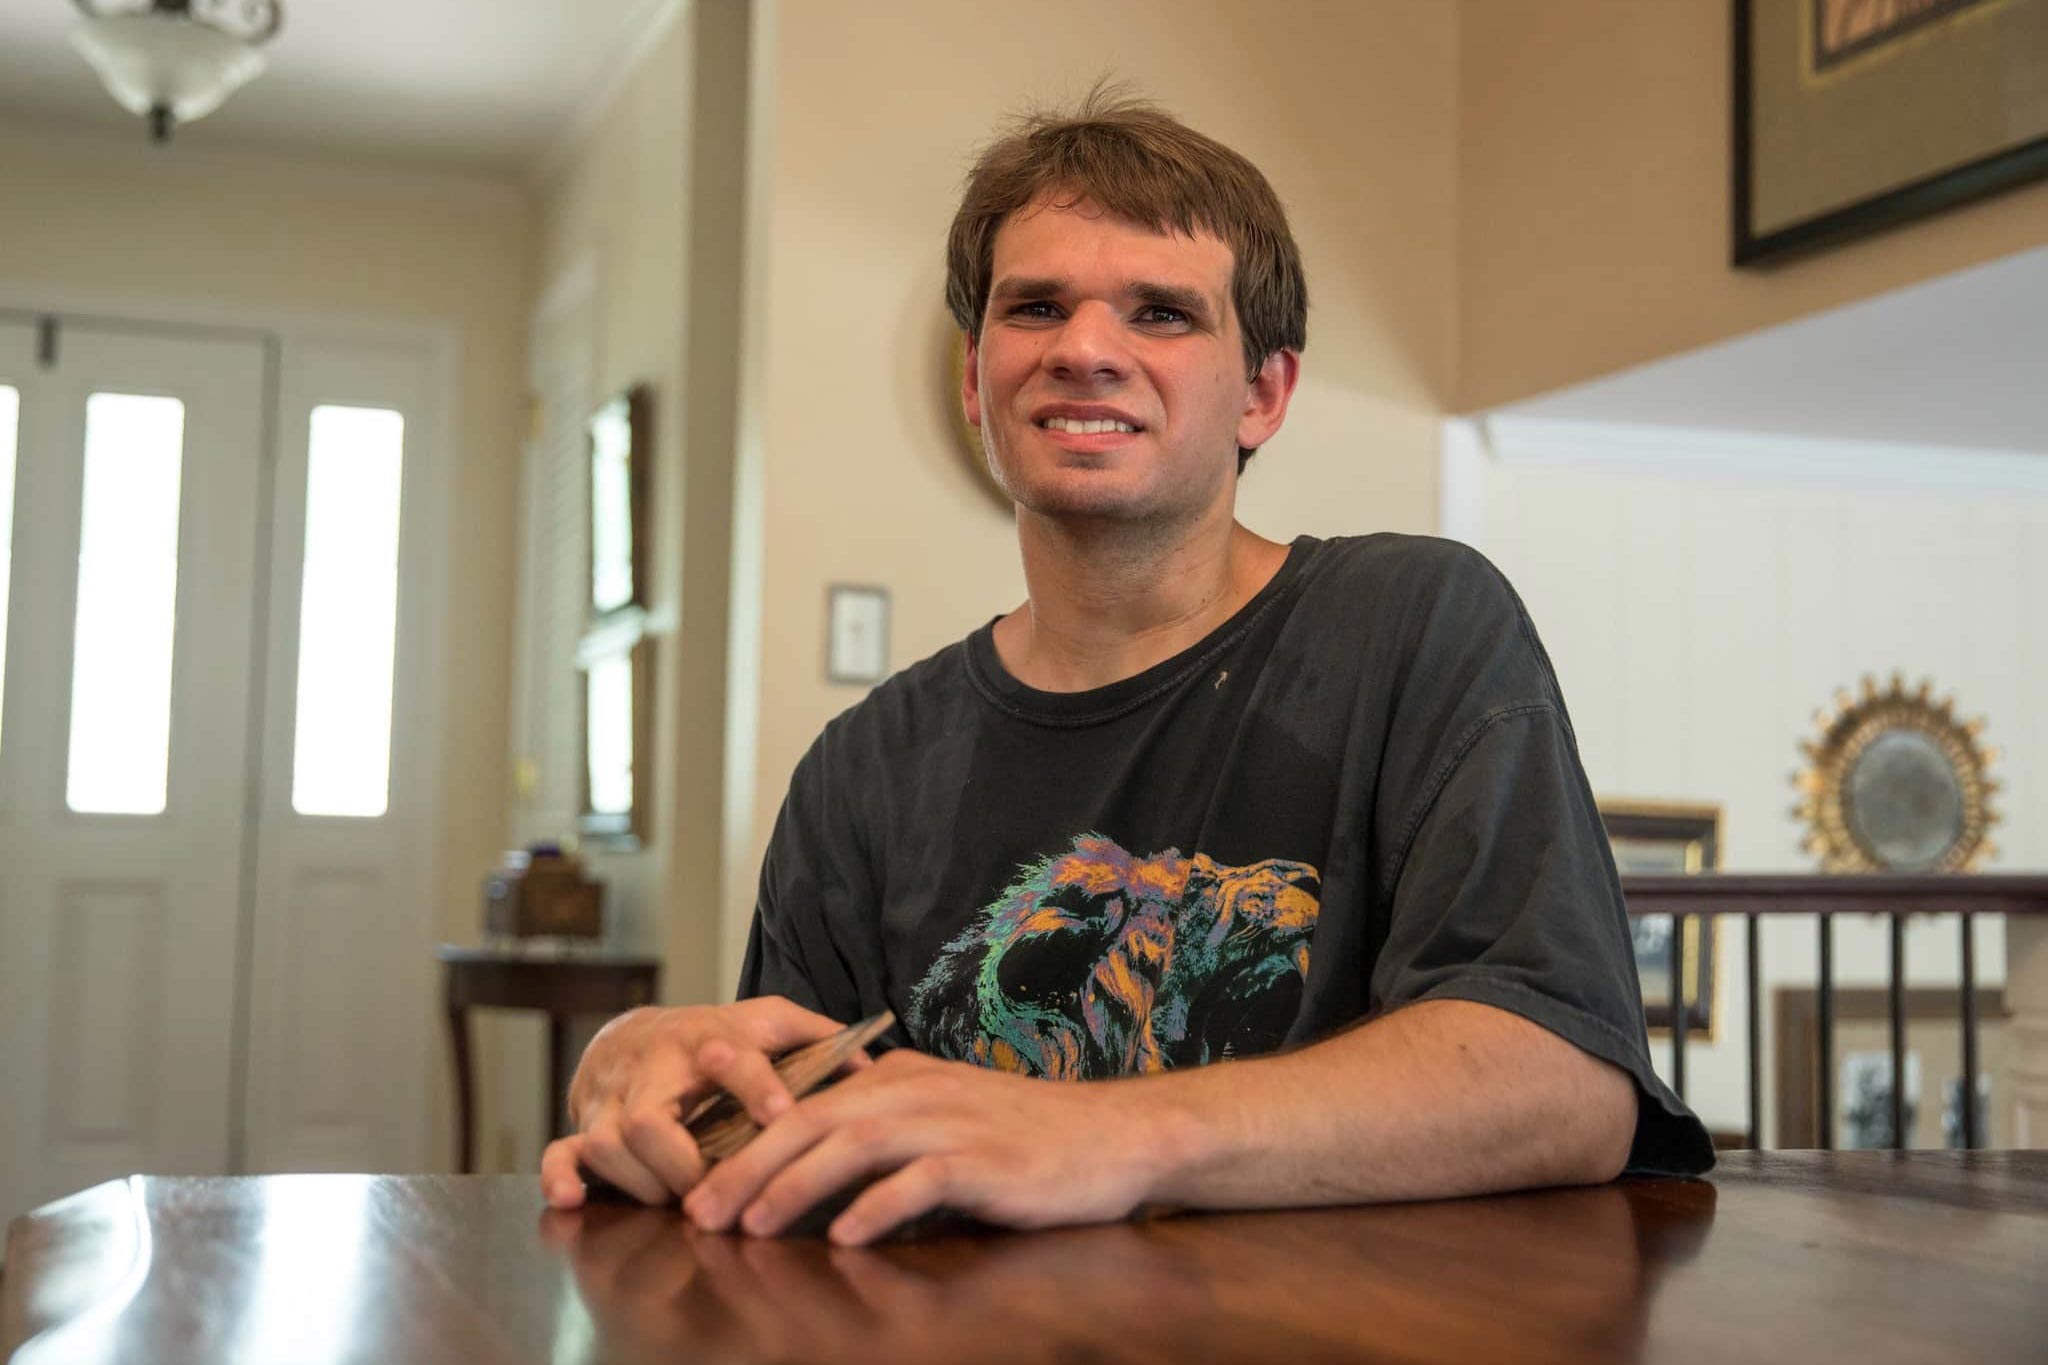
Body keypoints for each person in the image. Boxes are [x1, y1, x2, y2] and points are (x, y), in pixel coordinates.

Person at [541, 90, 1714, 1246]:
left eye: (1159, 314)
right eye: (1035, 306)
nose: (1084, 350)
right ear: (974, 382)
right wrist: (641, 1068)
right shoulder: (865, 767)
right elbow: (780, 1136)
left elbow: (1563, 1079)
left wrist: (1103, 1136)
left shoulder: (1414, 624)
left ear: (1261, 394)